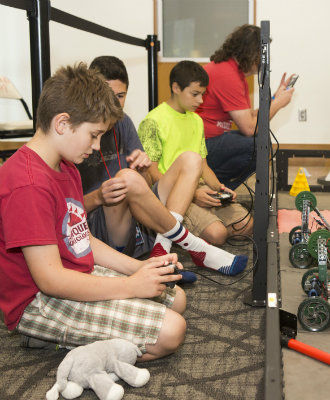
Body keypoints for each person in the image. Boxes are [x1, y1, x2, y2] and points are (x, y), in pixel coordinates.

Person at [0, 64, 186, 361]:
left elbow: (82, 239)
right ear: (62, 123)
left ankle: (80, 336)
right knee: (172, 331)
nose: (97, 146)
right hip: (39, 300)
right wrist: (129, 286)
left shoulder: (66, 166)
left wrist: (138, 269)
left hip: (73, 272)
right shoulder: (28, 184)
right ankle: (49, 339)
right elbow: (50, 280)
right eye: (94, 135)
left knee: (177, 299)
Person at [78, 56, 247, 279]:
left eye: (120, 96)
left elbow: (146, 186)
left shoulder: (124, 122)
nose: (115, 104)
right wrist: (99, 196)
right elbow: (64, 211)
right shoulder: (76, 130)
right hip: (100, 227)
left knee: (192, 159)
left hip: (138, 218)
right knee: (125, 178)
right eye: (108, 95)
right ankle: (194, 246)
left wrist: (142, 170)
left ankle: (163, 247)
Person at [139, 61, 254, 247]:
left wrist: (219, 189)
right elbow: (151, 173)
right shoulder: (153, 121)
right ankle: (179, 231)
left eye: (202, 94)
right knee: (218, 234)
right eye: (195, 94)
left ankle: (188, 234)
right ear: (176, 88)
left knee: (246, 225)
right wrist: (193, 194)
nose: (200, 100)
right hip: (173, 193)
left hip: (199, 187)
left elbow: (204, 165)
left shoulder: (196, 121)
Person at [196, 24, 295, 190]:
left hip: (209, 141)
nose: (265, 60)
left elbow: (251, 117)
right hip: (201, 146)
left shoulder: (233, 73)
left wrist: (274, 99)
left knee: (261, 142)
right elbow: (250, 128)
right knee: (256, 147)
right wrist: (278, 105)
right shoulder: (227, 75)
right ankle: (216, 188)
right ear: (252, 53)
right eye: (262, 54)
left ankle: (217, 188)